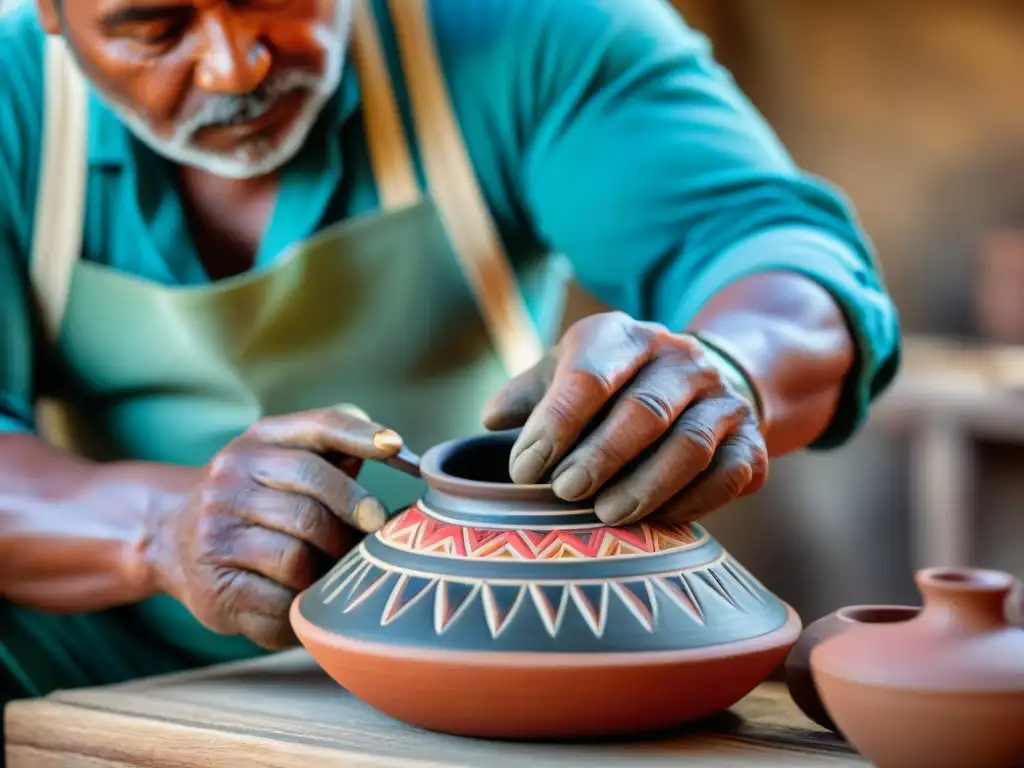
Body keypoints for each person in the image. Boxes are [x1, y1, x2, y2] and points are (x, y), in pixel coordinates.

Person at [0, 0, 900, 715]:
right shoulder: (13, 98)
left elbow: (786, 258)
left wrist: (726, 369)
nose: (236, 65)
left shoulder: (532, 29)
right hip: (90, 652)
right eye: (153, 26)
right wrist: (163, 532)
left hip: (486, 645)